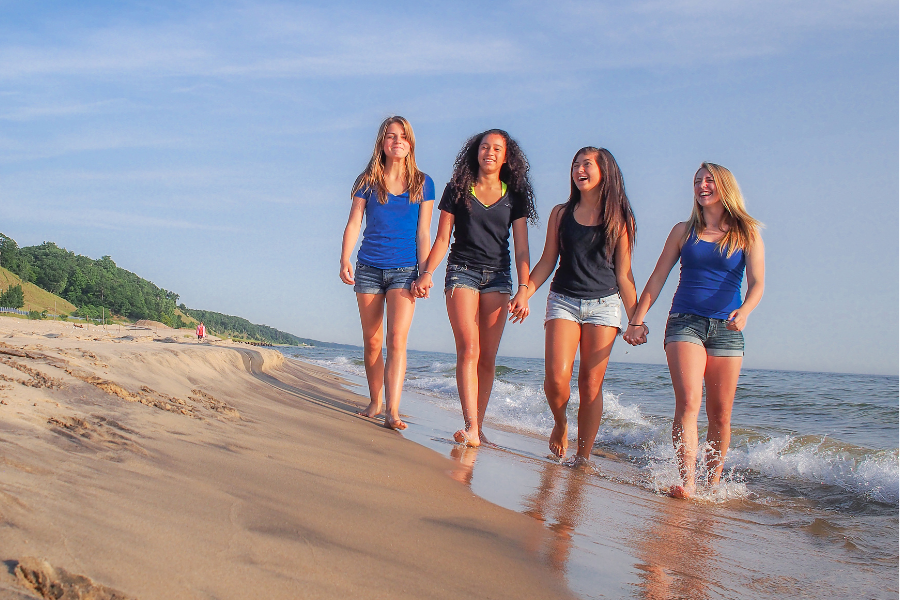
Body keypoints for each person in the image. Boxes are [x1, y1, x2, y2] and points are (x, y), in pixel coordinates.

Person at [624, 162, 765, 498]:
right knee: (688, 402)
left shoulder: (747, 232)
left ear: (725, 187)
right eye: (697, 181)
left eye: (709, 180)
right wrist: (637, 319)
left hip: (728, 328)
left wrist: (745, 311)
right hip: (685, 322)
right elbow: (657, 278)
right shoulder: (682, 231)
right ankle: (687, 481)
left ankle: (712, 483)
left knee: (720, 413)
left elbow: (758, 283)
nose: (702, 186)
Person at [412, 129, 537, 446]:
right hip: (461, 271)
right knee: (469, 348)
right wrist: (426, 272)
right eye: (485, 146)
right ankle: (470, 427)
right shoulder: (457, 188)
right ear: (476, 151)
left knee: (488, 357)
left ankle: (478, 427)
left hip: (499, 277)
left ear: (506, 156)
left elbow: (522, 249)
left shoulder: (515, 195)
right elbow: (442, 239)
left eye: (497, 148)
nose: (490, 152)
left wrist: (525, 288)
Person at [523, 147, 639, 465]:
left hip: (605, 305)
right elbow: (548, 260)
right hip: (563, 300)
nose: (579, 169)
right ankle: (560, 424)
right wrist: (525, 292)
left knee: (590, 384)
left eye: (586, 164)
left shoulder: (620, 219)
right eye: (575, 164)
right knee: (556, 379)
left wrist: (636, 319)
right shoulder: (561, 214)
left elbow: (625, 276)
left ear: (605, 171)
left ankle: (583, 457)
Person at [340, 116, 435, 430]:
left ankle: (393, 411)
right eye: (391, 136)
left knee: (397, 341)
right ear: (382, 142)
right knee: (372, 342)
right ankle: (375, 401)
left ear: (410, 144)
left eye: (403, 136)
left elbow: (424, 234)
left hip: (405, 271)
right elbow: (354, 222)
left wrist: (426, 272)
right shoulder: (367, 180)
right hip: (368, 267)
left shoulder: (423, 183)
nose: (397, 141)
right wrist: (345, 259)